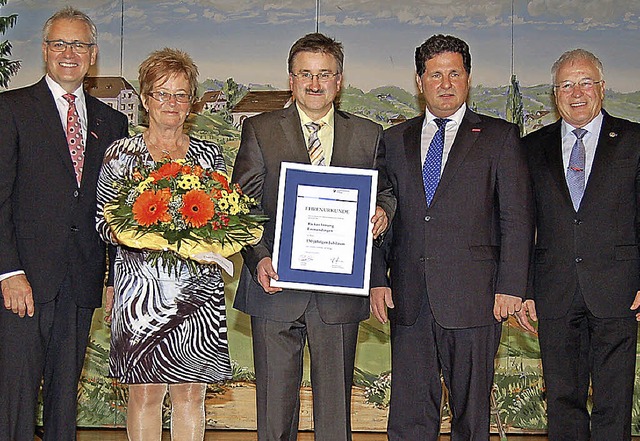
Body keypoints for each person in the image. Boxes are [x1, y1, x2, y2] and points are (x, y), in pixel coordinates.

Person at [231, 32, 395, 441]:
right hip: (275, 286)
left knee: (335, 418)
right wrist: (259, 258)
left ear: (340, 81)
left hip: (339, 294)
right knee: (273, 415)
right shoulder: (260, 129)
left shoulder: (368, 134)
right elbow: (240, 206)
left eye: (325, 74)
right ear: (291, 79)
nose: (315, 83)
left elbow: (387, 192)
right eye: (305, 74)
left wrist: (383, 213)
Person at [370, 34, 533, 440]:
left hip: (476, 300)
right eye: (435, 74)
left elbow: (516, 217)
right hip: (409, 299)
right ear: (420, 81)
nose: (445, 83)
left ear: (468, 78)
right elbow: (380, 214)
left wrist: (511, 286)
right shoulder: (393, 140)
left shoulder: (499, 137)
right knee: (409, 417)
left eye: (454, 74)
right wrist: (376, 279)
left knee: (470, 417)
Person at [0, 7, 129, 441]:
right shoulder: (11, 109)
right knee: (14, 399)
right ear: (44, 51)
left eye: (79, 45)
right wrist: (9, 271)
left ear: (93, 55)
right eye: (60, 43)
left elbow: (115, 209)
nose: (69, 53)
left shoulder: (114, 123)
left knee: (63, 402)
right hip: (25, 283)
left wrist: (112, 277)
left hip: (80, 281)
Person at [95, 48, 231, 441]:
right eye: (162, 93)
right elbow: (104, 225)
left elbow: (225, 219)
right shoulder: (120, 154)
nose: (172, 103)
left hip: (199, 293)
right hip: (141, 292)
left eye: (181, 94)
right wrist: (142, 235)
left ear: (191, 101)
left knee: (192, 394)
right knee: (145, 394)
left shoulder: (210, 155)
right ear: (144, 100)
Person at [521, 49, 640, 441]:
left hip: (618, 290)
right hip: (553, 291)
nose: (577, 92)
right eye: (566, 84)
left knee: (615, 403)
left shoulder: (634, 140)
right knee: (562, 402)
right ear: (555, 94)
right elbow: (521, 223)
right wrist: (523, 290)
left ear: (602, 88)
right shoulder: (530, 147)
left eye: (585, 82)